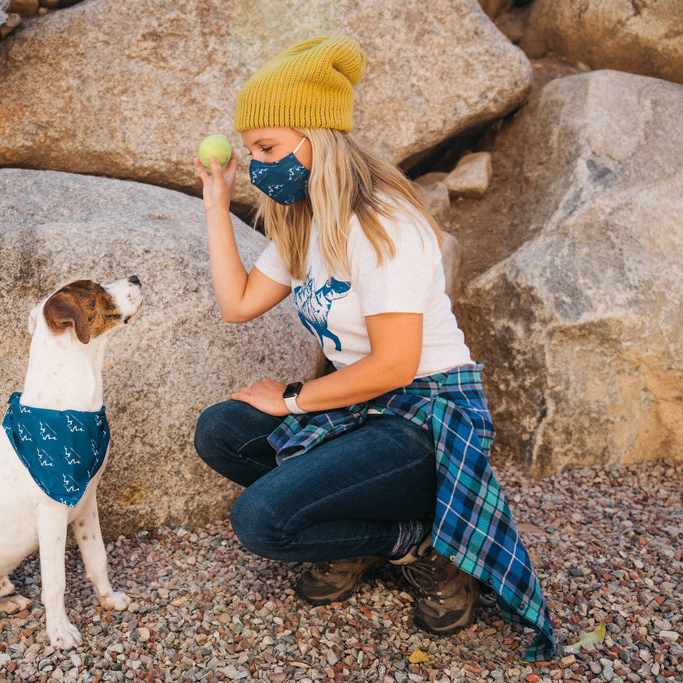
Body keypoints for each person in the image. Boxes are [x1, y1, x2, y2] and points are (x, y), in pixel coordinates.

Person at [192, 36, 557, 661]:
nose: (256, 163)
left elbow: (395, 364)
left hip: (429, 412)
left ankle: (427, 544)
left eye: (269, 148)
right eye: (251, 150)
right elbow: (239, 304)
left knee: (263, 521)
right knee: (222, 430)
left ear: (320, 138)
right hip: (365, 404)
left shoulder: (383, 223)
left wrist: (288, 398)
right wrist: (216, 203)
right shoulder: (305, 217)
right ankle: (361, 537)